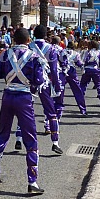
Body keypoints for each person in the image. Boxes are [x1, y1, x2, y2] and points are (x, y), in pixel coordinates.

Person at [0, 28, 46, 195]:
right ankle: (32, 181)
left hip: (7, 96)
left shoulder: (5, 54)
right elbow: (39, 80)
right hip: (24, 98)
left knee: (3, 132)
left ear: (13, 39)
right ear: (29, 40)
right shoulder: (34, 57)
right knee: (30, 137)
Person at [29, 25, 63, 155]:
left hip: (30, 83)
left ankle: (19, 138)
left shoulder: (29, 47)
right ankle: (55, 142)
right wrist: (57, 86)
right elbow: (54, 70)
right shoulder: (51, 48)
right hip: (45, 83)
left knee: (26, 110)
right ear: (45, 35)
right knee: (51, 112)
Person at [56, 41, 86, 116]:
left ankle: (58, 109)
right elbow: (79, 63)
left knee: (60, 90)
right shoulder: (75, 53)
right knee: (77, 90)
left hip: (62, 71)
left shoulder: (62, 51)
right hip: (71, 71)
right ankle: (82, 109)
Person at [80, 40, 100, 106]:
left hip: (87, 70)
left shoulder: (86, 52)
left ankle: (81, 99)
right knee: (99, 84)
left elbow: (82, 61)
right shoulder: (99, 52)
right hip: (95, 70)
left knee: (83, 84)